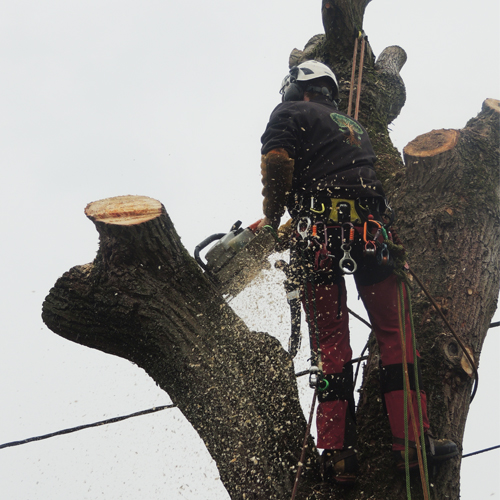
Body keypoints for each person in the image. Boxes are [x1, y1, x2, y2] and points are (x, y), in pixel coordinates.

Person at [258, 60, 458, 484]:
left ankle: (337, 456)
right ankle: (412, 445)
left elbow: (277, 162)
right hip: (371, 238)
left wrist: (275, 218)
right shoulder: (355, 127)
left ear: (300, 89)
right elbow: (346, 183)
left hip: (317, 243)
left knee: (331, 346)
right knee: (396, 335)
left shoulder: (289, 113)